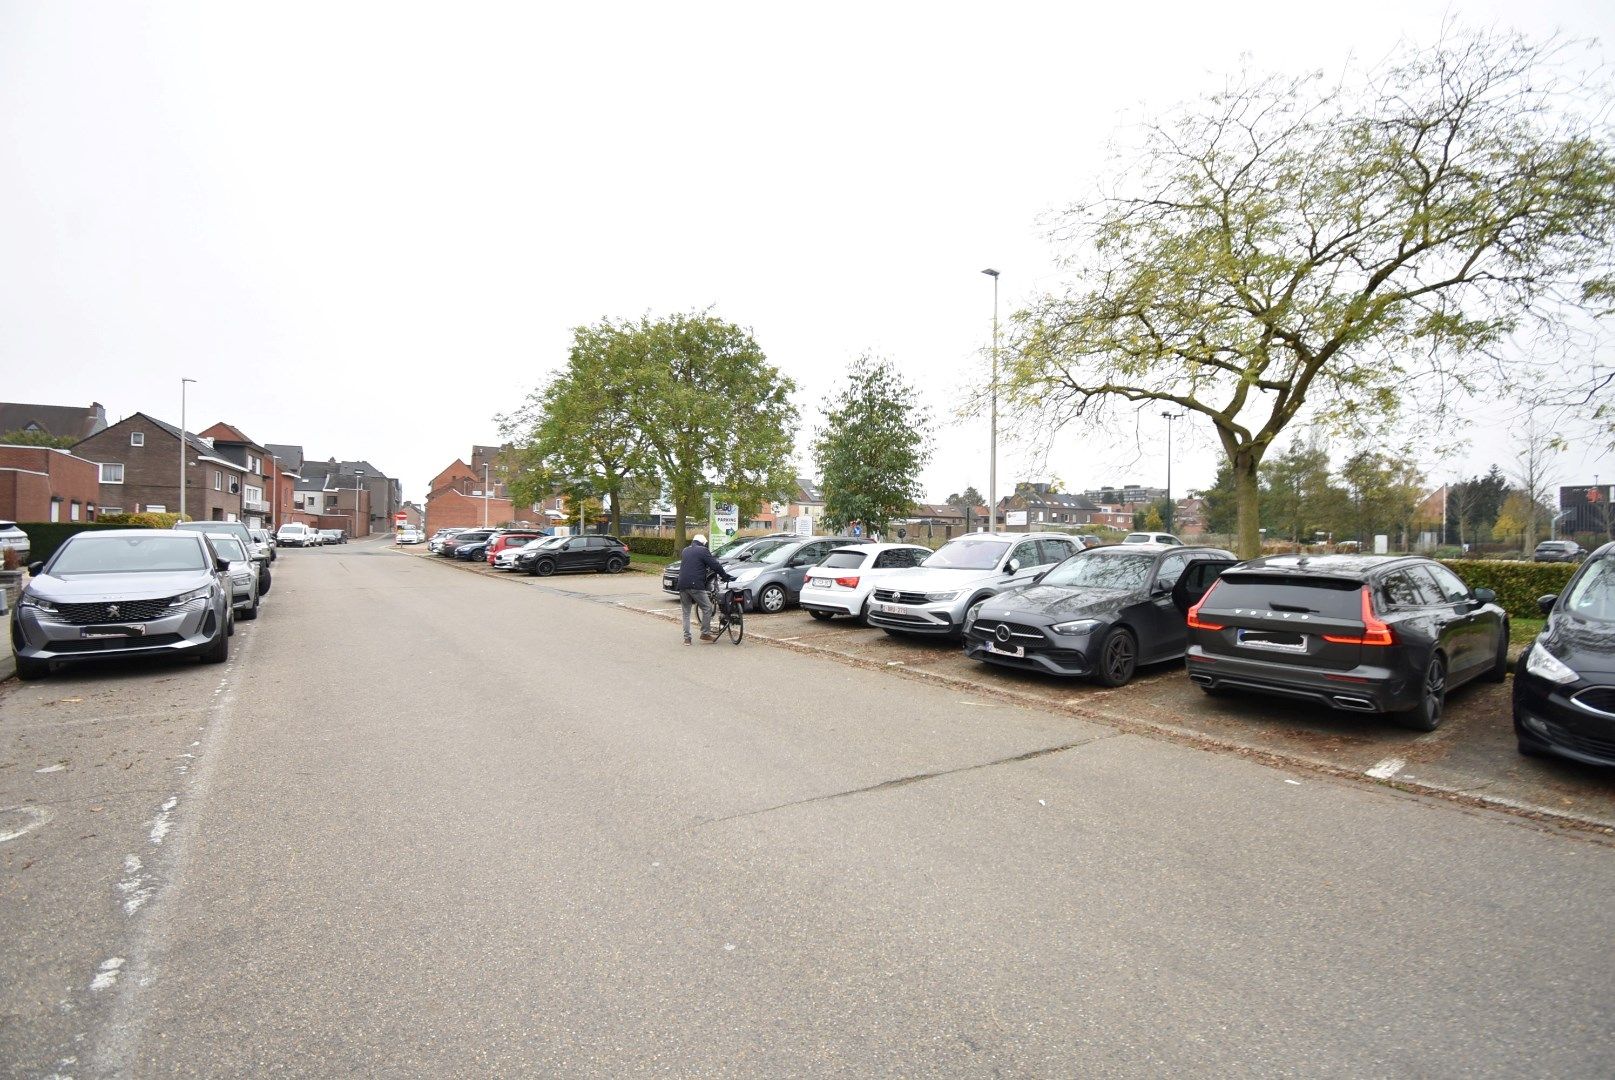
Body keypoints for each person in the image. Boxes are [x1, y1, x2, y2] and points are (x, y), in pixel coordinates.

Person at [675, 533, 733, 645]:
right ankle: (705, 633)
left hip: (682, 584)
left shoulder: (685, 550)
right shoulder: (703, 550)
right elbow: (715, 565)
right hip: (695, 584)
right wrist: (725, 576)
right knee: (707, 608)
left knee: (686, 613)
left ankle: (687, 639)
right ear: (703, 543)